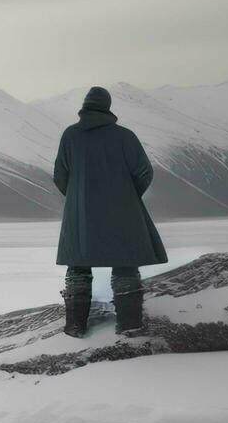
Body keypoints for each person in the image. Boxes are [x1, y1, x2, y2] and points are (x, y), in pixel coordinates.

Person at [51, 86, 167, 338]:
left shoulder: (70, 136)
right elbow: (145, 173)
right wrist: (126, 196)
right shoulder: (124, 136)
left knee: (78, 267)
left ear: (85, 106)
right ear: (107, 107)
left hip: (79, 215)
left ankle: (74, 327)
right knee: (125, 264)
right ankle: (130, 325)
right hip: (122, 212)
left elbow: (60, 175)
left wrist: (77, 200)